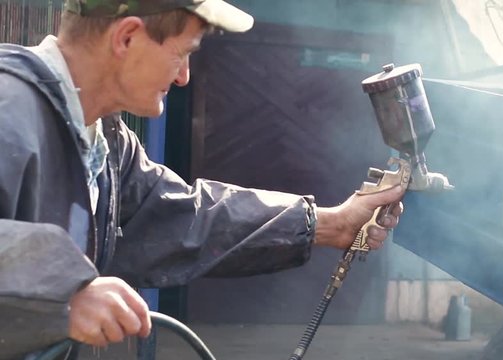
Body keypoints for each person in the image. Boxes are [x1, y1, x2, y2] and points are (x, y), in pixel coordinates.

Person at [0, 0, 405, 358]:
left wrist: (329, 224)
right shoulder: (8, 109)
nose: (184, 77)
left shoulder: (104, 140)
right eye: (183, 53)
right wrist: (63, 290)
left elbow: (186, 217)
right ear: (126, 38)